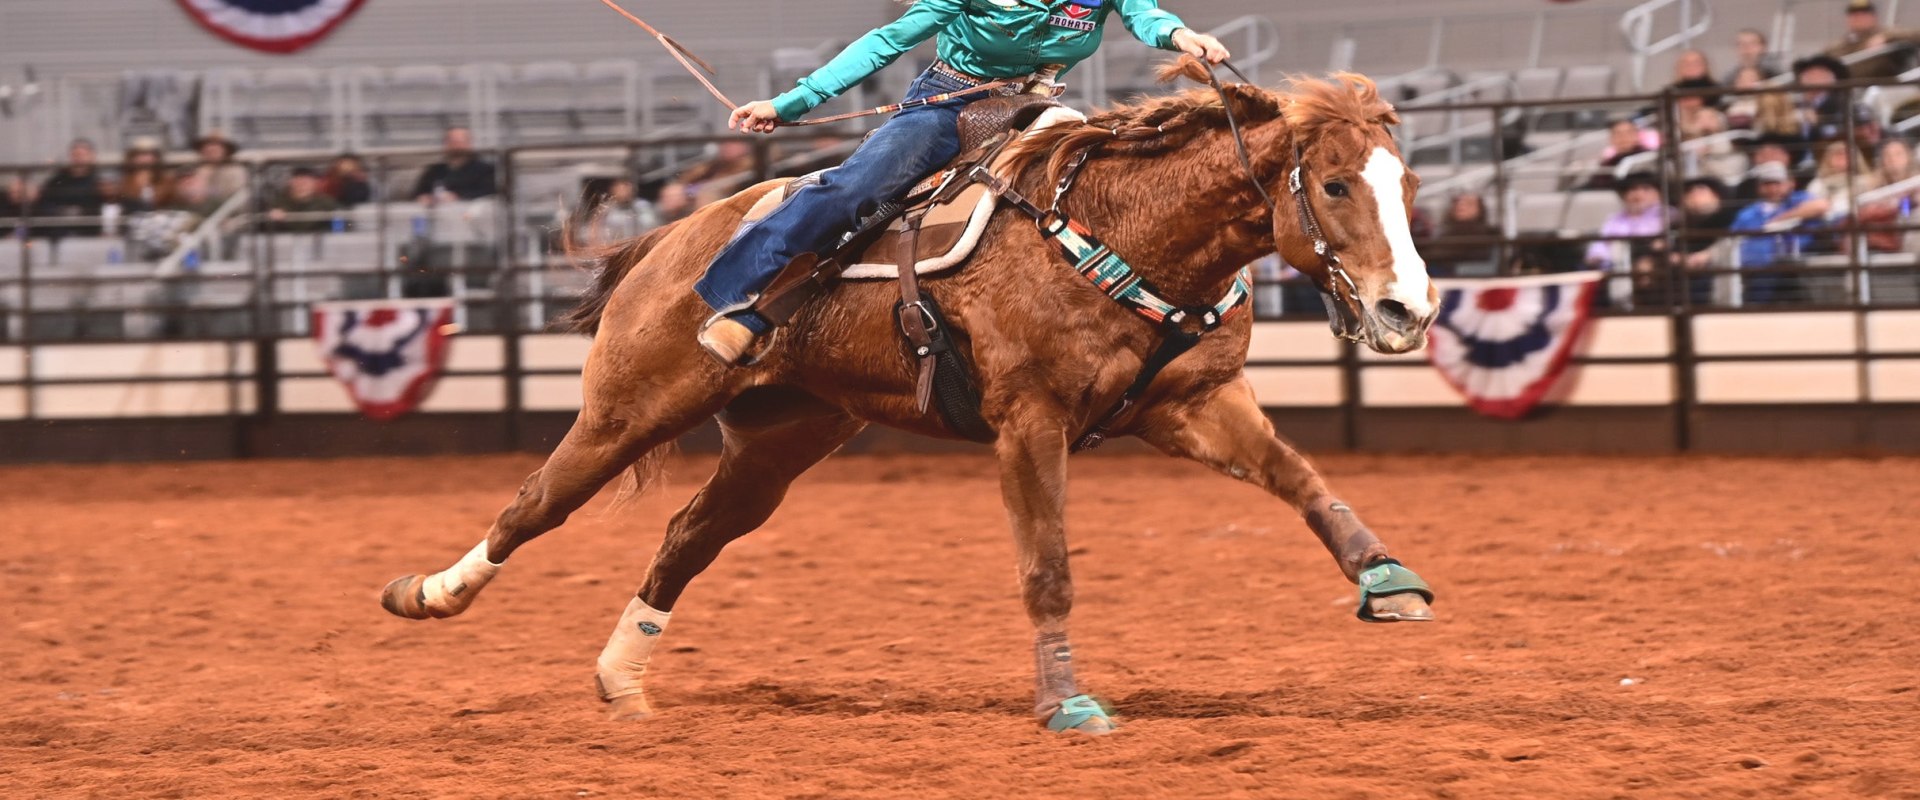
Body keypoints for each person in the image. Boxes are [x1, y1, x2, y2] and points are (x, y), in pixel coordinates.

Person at [694, 0, 1231, 364]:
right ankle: (735, 300)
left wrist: (1184, 36)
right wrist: (791, 104)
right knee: (856, 189)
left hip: (1038, 104)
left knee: (1097, 186)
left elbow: (1146, 16)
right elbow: (889, 40)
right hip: (951, 99)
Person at [1731, 161, 1828, 302]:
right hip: (1758, 269)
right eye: (1767, 184)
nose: (1773, 188)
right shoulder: (1748, 213)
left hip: (1797, 263)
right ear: (1759, 187)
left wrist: (1777, 220)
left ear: (1790, 183)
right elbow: (1732, 239)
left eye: (1777, 183)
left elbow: (1821, 205)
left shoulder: (1799, 199)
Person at [1585, 172, 1671, 273]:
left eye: (1646, 189)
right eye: (1633, 189)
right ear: (1623, 195)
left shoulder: (1668, 215)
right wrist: (1597, 258)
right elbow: (1599, 247)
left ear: (1659, 193)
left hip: (1653, 263)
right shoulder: (1615, 220)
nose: (1638, 195)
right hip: (1616, 267)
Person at [1824, 0, 1920, 80]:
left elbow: (1916, 35)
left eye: (1863, 14)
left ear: (1874, 17)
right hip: (1845, 90)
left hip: (1879, 89)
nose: (1859, 18)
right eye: (1854, 15)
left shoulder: (1888, 34)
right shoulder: (1836, 47)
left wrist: (1887, 37)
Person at [34, 138, 108, 238]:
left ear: (92, 157)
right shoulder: (57, 181)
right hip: (60, 232)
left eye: (83, 155)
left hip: (88, 232)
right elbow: (45, 202)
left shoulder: (99, 183)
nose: (79, 159)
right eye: (75, 155)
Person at [1805, 140, 1884, 223]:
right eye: (1838, 154)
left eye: (1846, 155)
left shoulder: (1868, 181)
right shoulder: (1817, 185)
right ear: (1828, 159)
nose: (1842, 158)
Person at [412, 127, 497, 204]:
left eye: (460, 142)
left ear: (469, 143)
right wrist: (424, 197)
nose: (456, 146)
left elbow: (489, 193)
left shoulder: (485, 170)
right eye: (452, 142)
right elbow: (417, 193)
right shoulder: (434, 171)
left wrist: (458, 196)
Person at [1422, 193, 1499, 277]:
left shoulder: (1486, 232)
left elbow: (1478, 256)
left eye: (1469, 204)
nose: (1461, 206)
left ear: (1480, 209)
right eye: (1458, 203)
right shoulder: (1445, 231)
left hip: (1461, 274)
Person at [1584, 120, 1656, 190]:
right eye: (1618, 134)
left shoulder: (1648, 158)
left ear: (1636, 136)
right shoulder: (1608, 163)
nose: (1623, 138)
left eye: (1628, 133)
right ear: (1611, 139)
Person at [266, 167, 341, 233]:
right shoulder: (278, 202)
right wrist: (273, 220)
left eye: (306, 183)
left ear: (314, 184)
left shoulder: (327, 202)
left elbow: (340, 225)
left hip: (319, 242)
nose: (302, 186)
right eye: (298, 183)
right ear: (291, 183)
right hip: (284, 243)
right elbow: (263, 228)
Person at [114, 136, 174, 214]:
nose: (144, 158)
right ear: (132, 157)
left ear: (156, 157)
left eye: (148, 154)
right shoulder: (124, 181)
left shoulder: (166, 180)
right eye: (139, 154)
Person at [189, 131, 248, 205]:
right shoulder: (193, 170)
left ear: (226, 152)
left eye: (215, 150)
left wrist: (206, 188)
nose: (211, 153)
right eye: (207, 150)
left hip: (228, 211)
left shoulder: (235, 170)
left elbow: (235, 194)